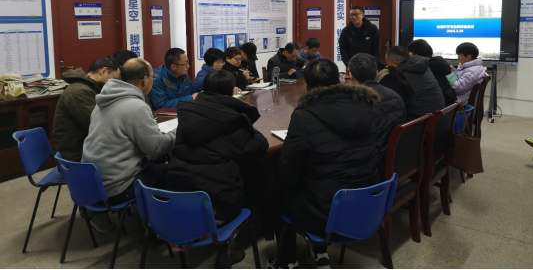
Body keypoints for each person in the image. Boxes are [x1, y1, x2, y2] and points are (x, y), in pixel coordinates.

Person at [269, 58, 381, 269]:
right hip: (368, 205)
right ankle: (320, 252)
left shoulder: (303, 116)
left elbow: (288, 169)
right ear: (339, 81)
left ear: (307, 87)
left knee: (278, 191)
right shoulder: (366, 105)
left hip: (327, 215)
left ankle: (287, 261)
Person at [166, 70, 268, 268]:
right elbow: (259, 145)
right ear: (231, 91)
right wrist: (248, 124)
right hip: (218, 203)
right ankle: (227, 247)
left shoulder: (187, 113)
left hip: (178, 196)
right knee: (255, 176)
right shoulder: (231, 120)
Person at [82, 59, 176, 207]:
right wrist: (178, 130)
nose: (153, 79)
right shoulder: (136, 107)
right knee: (177, 173)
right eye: (153, 76)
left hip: (91, 184)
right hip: (116, 187)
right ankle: (160, 217)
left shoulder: (102, 101)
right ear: (145, 80)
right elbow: (157, 148)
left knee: (155, 164)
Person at [349, 54, 407, 179]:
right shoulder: (395, 95)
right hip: (397, 161)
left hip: (372, 168)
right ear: (376, 73)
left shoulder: (355, 102)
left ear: (351, 76)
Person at [52, 56, 120, 164]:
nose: (115, 83)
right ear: (104, 71)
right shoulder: (79, 91)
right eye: (115, 78)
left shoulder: (89, 88)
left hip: (86, 149)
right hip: (74, 157)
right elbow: (97, 125)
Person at [386, 46, 445, 120]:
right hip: (440, 115)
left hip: (423, 120)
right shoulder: (422, 65)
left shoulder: (402, 75)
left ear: (395, 64)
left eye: (388, 65)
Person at [407, 39, 457, 106]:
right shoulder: (436, 64)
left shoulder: (422, 67)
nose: (408, 54)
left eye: (410, 52)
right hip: (445, 105)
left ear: (416, 53)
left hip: (433, 107)